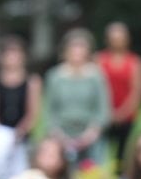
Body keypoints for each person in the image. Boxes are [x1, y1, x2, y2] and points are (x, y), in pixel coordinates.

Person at [0, 35, 42, 179]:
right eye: (9, 54)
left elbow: (32, 113)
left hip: (21, 138)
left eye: (16, 53)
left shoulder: (32, 81)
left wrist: (20, 132)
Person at [44, 28, 109, 170]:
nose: (77, 52)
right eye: (74, 47)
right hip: (61, 134)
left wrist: (90, 135)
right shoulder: (55, 76)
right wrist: (60, 137)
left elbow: (103, 110)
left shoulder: (97, 76)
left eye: (81, 48)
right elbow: (50, 111)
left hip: (90, 135)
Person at [96, 22, 141, 175]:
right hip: (102, 114)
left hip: (127, 116)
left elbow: (137, 91)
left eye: (120, 37)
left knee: (122, 153)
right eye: (113, 37)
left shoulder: (135, 62)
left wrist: (121, 114)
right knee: (100, 152)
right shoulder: (99, 59)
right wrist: (107, 112)